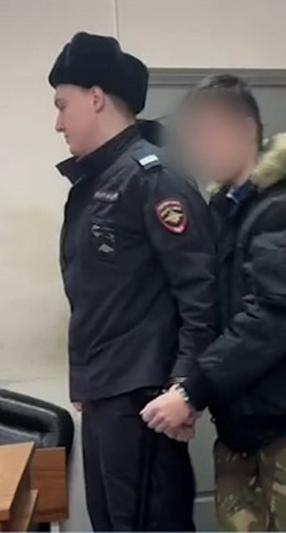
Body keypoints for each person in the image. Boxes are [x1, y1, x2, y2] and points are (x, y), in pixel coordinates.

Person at [141, 74, 286, 531]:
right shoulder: (228, 212)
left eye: (207, 134)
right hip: (242, 430)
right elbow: (216, 314)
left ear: (245, 131)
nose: (198, 150)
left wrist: (193, 391)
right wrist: (191, 392)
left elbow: (272, 318)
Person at [51, 32, 217, 531]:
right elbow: (98, 297)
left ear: (95, 97)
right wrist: (86, 381)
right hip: (106, 392)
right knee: (111, 522)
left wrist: (185, 389)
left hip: (143, 399)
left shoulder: (152, 179)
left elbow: (200, 294)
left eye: (62, 105)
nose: (57, 123)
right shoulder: (97, 183)